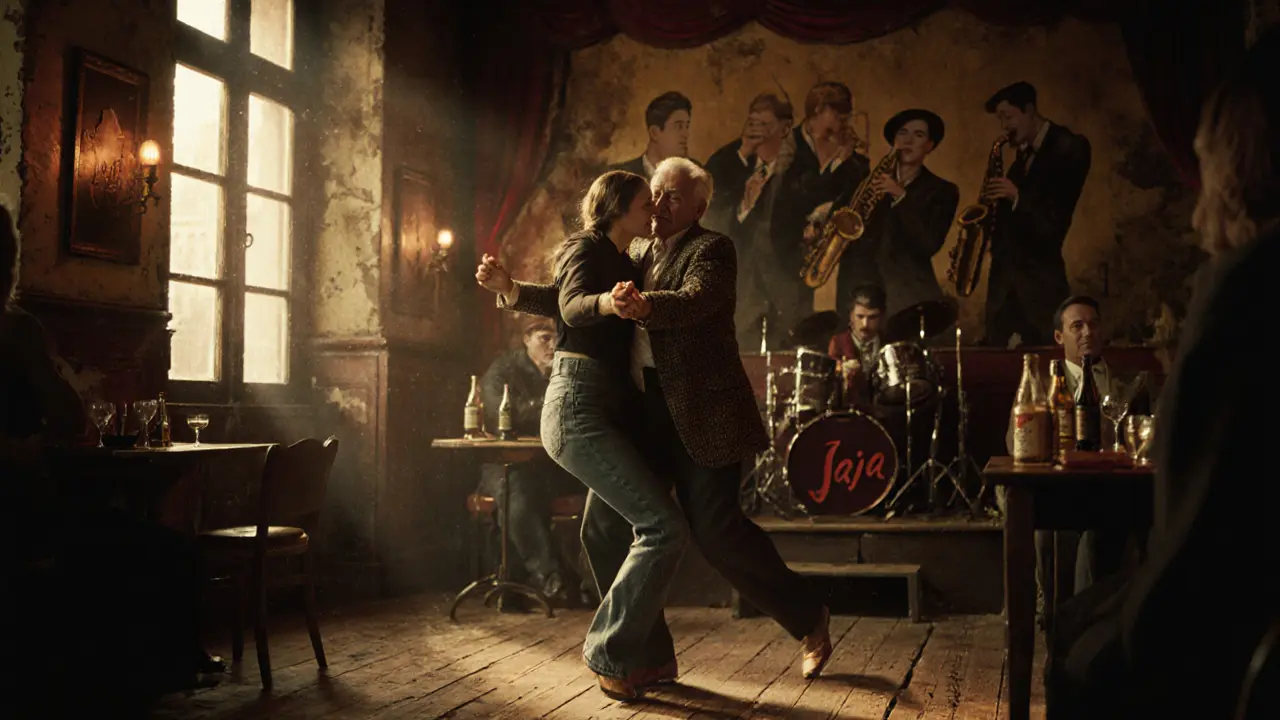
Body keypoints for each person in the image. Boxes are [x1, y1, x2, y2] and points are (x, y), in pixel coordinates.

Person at [477, 157, 833, 687]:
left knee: (716, 533)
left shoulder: (712, 248)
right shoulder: (633, 249)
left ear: (698, 207)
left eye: (672, 197)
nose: (660, 205)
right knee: (600, 531)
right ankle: (647, 658)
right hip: (642, 416)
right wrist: (512, 291)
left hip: (703, 415)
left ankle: (808, 619)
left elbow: (696, 301)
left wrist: (641, 307)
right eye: (655, 194)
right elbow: (573, 299)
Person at [1048, 29, 1280, 718]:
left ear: (1239, 168)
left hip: (1235, 641)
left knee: (1080, 640)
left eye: (1207, 170)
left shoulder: (1248, 285)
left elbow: (1202, 547)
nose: (1199, 210)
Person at [0, 202, 222, 712]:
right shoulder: (16, 330)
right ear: (7, 263)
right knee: (158, 548)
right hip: (22, 516)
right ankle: (146, 679)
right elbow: (72, 419)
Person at [505, 170, 690, 701]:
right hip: (577, 404)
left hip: (610, 406)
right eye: (642, 204)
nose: (652, 212)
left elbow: (555, 298)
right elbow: (571, 306)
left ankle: (649, 659)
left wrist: (513, 291)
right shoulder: (583, 246)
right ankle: (608, 651)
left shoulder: (625, 260)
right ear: (615, 207)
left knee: (604, 533)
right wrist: (610, 303)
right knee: (663, 528)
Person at [1002, 296, 1158, 618]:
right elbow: (1013, 442)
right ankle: (1056, 618)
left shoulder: (1131, 384)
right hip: (1058, 487)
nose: (1088, 332)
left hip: (1114, 488)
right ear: (1060, 337)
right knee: (1048, 532)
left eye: (1094, 324)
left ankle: (1095, 621)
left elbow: (1146, 441)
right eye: (1077, 326)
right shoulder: (1040, 384)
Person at [476, 317, 588, 603]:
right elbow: (501, 413)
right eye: (544, 338)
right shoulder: (503, 369)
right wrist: (552, 403)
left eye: (556, 339)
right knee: (517, 494)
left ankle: (583, 584)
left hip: (552, 466)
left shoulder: (563, 370)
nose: (552, 346)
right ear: (526, 339)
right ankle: (552, 580)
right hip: (506, 464)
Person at [981, 81, 1091, 347]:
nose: (1004, 126)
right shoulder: (1021, 158)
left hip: (1040, 290)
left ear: (1029, 110)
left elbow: (1054, 221)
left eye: (1008, 117)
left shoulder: (1069, 147)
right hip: (1006, 292)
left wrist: (1016, 196)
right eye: (1000, 119)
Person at [834, 109, 960, 320]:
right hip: (861, 297)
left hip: (907, 297)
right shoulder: (869, 183)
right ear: (894, 141)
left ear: (929, 146)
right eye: (903, 133)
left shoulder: (942, 191)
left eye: (918, 135)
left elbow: (928, 243)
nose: (908, 141)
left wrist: (901, 196)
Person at [702, 92, 805, 351]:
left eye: (765, 124)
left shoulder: (801, 169)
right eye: (753, 123)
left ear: (785, 128)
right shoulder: (733, 160)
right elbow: (710, 208)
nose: (758, 131)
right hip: (744, 290)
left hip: (784, 289)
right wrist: (744, 206)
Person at [827, 284, 886, 409]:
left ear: (881, 318)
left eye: (872, 317)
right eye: (860, 317)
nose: (865, 324)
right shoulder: (838, 343)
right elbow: (828, 393)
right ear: (851, 316)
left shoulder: (889, 342)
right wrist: (841, 379)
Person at [610, 92, 692, 179]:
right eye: (678, 126)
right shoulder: (620, 176)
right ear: (654, 133)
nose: (686, 134)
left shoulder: (695, 174)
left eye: (687, 126)